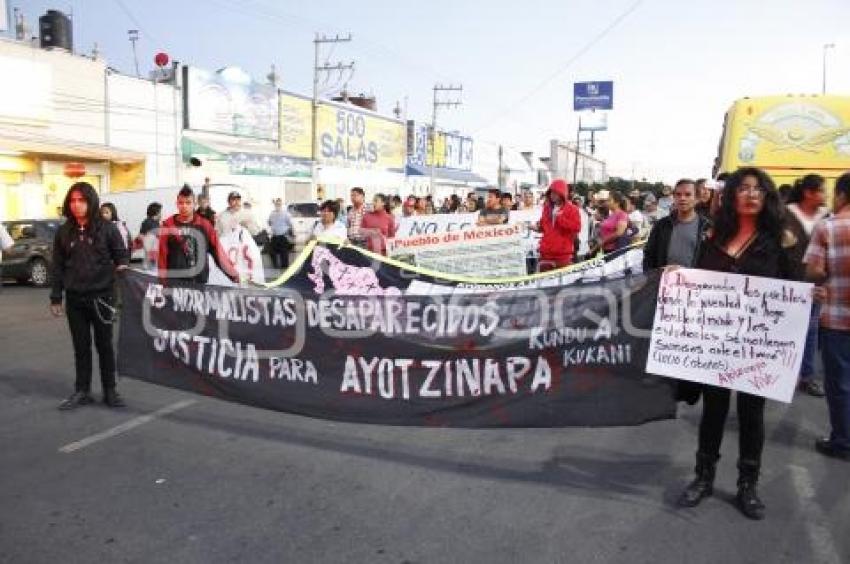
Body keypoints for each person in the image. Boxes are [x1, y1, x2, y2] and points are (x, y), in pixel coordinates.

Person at [677, 167, 796, 520]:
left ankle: (748, 485)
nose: (751, 194)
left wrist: (811, 294)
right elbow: (698, 283)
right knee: (712, 411)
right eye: (743, 188)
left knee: (751, 414)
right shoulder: (713, 237)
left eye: (758, 189)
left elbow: (794, 291)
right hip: (717, 344)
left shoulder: (780, 241)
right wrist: (677, 278)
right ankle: (703, 477)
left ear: (768, 197)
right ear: (731, 196)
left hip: (757, 349)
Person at [50, 182, 130, 409]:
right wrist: (56, 297)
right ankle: (82, 390)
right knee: (80, 347)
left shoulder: (107, 228)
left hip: (102, 297)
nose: (77, 205)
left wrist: (123, 265)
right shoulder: (64, 232)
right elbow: (57, 266)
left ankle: (110, 391)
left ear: (91, 201)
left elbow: (121, 255)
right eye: (73, 201)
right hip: (75, 300)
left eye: (81, 200)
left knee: (104, 345)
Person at [804, 171, 850, 462]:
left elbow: (814, 272)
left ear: (842, 195)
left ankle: (843, 441)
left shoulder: (828, 227)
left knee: (840, 384)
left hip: (837, 319)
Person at [786, 174, 829, 397]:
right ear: (808, 193)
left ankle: (807, 376)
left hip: (815, 285)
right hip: (788, 285)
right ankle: (783, 374)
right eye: (822, 190)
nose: (826, 195)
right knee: (785, 329)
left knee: (811, 331)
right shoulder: (786, 214)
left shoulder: (827, 216)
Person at [158, 185, 240, 285]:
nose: (184, 206)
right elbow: (162, 256)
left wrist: (232, 274)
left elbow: (218, 252)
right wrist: (162, 282)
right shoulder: (168, 226)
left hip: (199, 283)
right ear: (177, 204)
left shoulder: (205, 225)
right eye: (181, 203)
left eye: (188, 203)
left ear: (194, 204)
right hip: (175, 284)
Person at [643, 179, 710, 270]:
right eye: (678, 195)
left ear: (697, 198)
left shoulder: (706, 227)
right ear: (674, 198)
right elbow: (649, 255)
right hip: (663, 281)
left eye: (688, 194)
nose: (682, 198)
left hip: (693, 282)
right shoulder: (661, 225)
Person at [531, 179, 581, 271]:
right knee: (544, 281)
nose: (552, 195)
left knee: (563, 282)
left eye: (555, 192)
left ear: (562, 193)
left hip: (563, 255)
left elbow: (576, 228)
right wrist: (533, 227)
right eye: (551, 192)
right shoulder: (546, 208)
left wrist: (560, 219)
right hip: (545, 254)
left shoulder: (572, 209)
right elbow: (543, 227)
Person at [267, 198, 294, 270]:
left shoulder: (286, 214)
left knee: (284, 253)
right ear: (275, 204)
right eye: (276, 204)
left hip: (283, 236)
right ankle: (275, 265)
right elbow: (269, 222)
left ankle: (284, 268)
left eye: (279, 204)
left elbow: (290, 224)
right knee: (271, 252)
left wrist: (292, 233)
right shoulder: (272, 213)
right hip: (275, 236)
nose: (277, 205)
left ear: (281, 204)